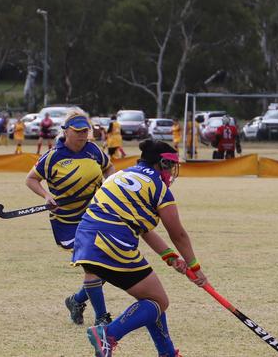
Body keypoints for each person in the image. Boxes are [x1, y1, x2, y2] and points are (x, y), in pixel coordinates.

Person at [73, 139, 207, 357]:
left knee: (152, 299)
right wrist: (195, 267)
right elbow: (178, 234)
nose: (172, 172)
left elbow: (144, 230)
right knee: (158, 301)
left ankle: (167, 353)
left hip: (86, 238)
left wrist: (171, 258)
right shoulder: (158, 187)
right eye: (171, 166)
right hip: (112, 241)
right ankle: (107, 334)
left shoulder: (121, 174)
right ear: (162, 164)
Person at [26, 111, 115, 326]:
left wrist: (111, 186)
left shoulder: (93, 150)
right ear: (66, 132)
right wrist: (47, 195)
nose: (83, 135)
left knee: (108, 267)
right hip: (68, 222)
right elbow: (31, 179)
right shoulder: (53, 156)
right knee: (93, 267)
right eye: (78, 132)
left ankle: (76, 301)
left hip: (95, 217)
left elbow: (109, 167)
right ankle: (102, 317)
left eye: (86, 131)